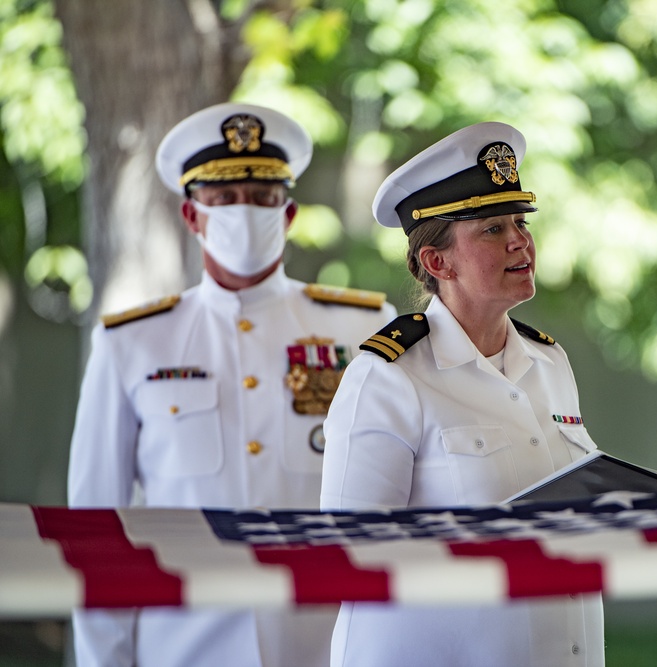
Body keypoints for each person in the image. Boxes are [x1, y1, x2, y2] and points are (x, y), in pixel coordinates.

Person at [67, 102, 398, 667]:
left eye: (263, 198)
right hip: (184, 647)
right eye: (225, 199)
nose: (245, 212)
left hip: (328, 646)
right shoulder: (131, 343)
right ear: (192, 216)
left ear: (288, 213)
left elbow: (398, 507)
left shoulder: (364, 328)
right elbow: (97, 529)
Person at [320, 121, 605, 666]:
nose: (520, 240)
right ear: (437, 262)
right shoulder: (388, 377)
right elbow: (345, 559)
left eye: (520, 222)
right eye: (493, 229)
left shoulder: (549, 362)